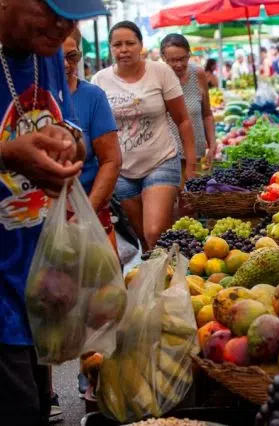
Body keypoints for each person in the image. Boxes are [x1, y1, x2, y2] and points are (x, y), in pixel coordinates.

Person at [0, 0, 106, 424]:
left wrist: (67, 144)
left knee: (39, 407)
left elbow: (73, 128)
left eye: (73, 17)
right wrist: (8, 154)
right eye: (53, 11)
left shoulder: (46, 52)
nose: (64, 27)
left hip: (35, 278)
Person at [92, 21, 196, 251]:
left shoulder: (160, 72)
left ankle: (169, 279)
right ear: (110, 48)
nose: (124, 49)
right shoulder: (100, 80)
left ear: (141, 45)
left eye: (130, 43)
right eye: (117, 44)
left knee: (154, 231)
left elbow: (183, 120)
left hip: (161, 160)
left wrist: (190, 166)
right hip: (121, 170)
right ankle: (159, 281)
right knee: (144, 240)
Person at [63, 29, 121, 249]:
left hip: (88, 206)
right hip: (37, 215)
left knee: (101, 280)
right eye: (56, 58)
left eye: (72, 57)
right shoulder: (27, 98)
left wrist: (87, 211)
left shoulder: (93, 97)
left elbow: (111, 161)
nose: (67, 65)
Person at [160, 34, 216, 178]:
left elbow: (207, 114)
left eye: (182, 58)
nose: (178, 64)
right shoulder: (158, 78)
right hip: (167, 159)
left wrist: (212, 143)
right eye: (172, 60)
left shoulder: (198, 74)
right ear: (163, 58)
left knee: (193, 197)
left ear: (189, 54)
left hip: (197, 154)